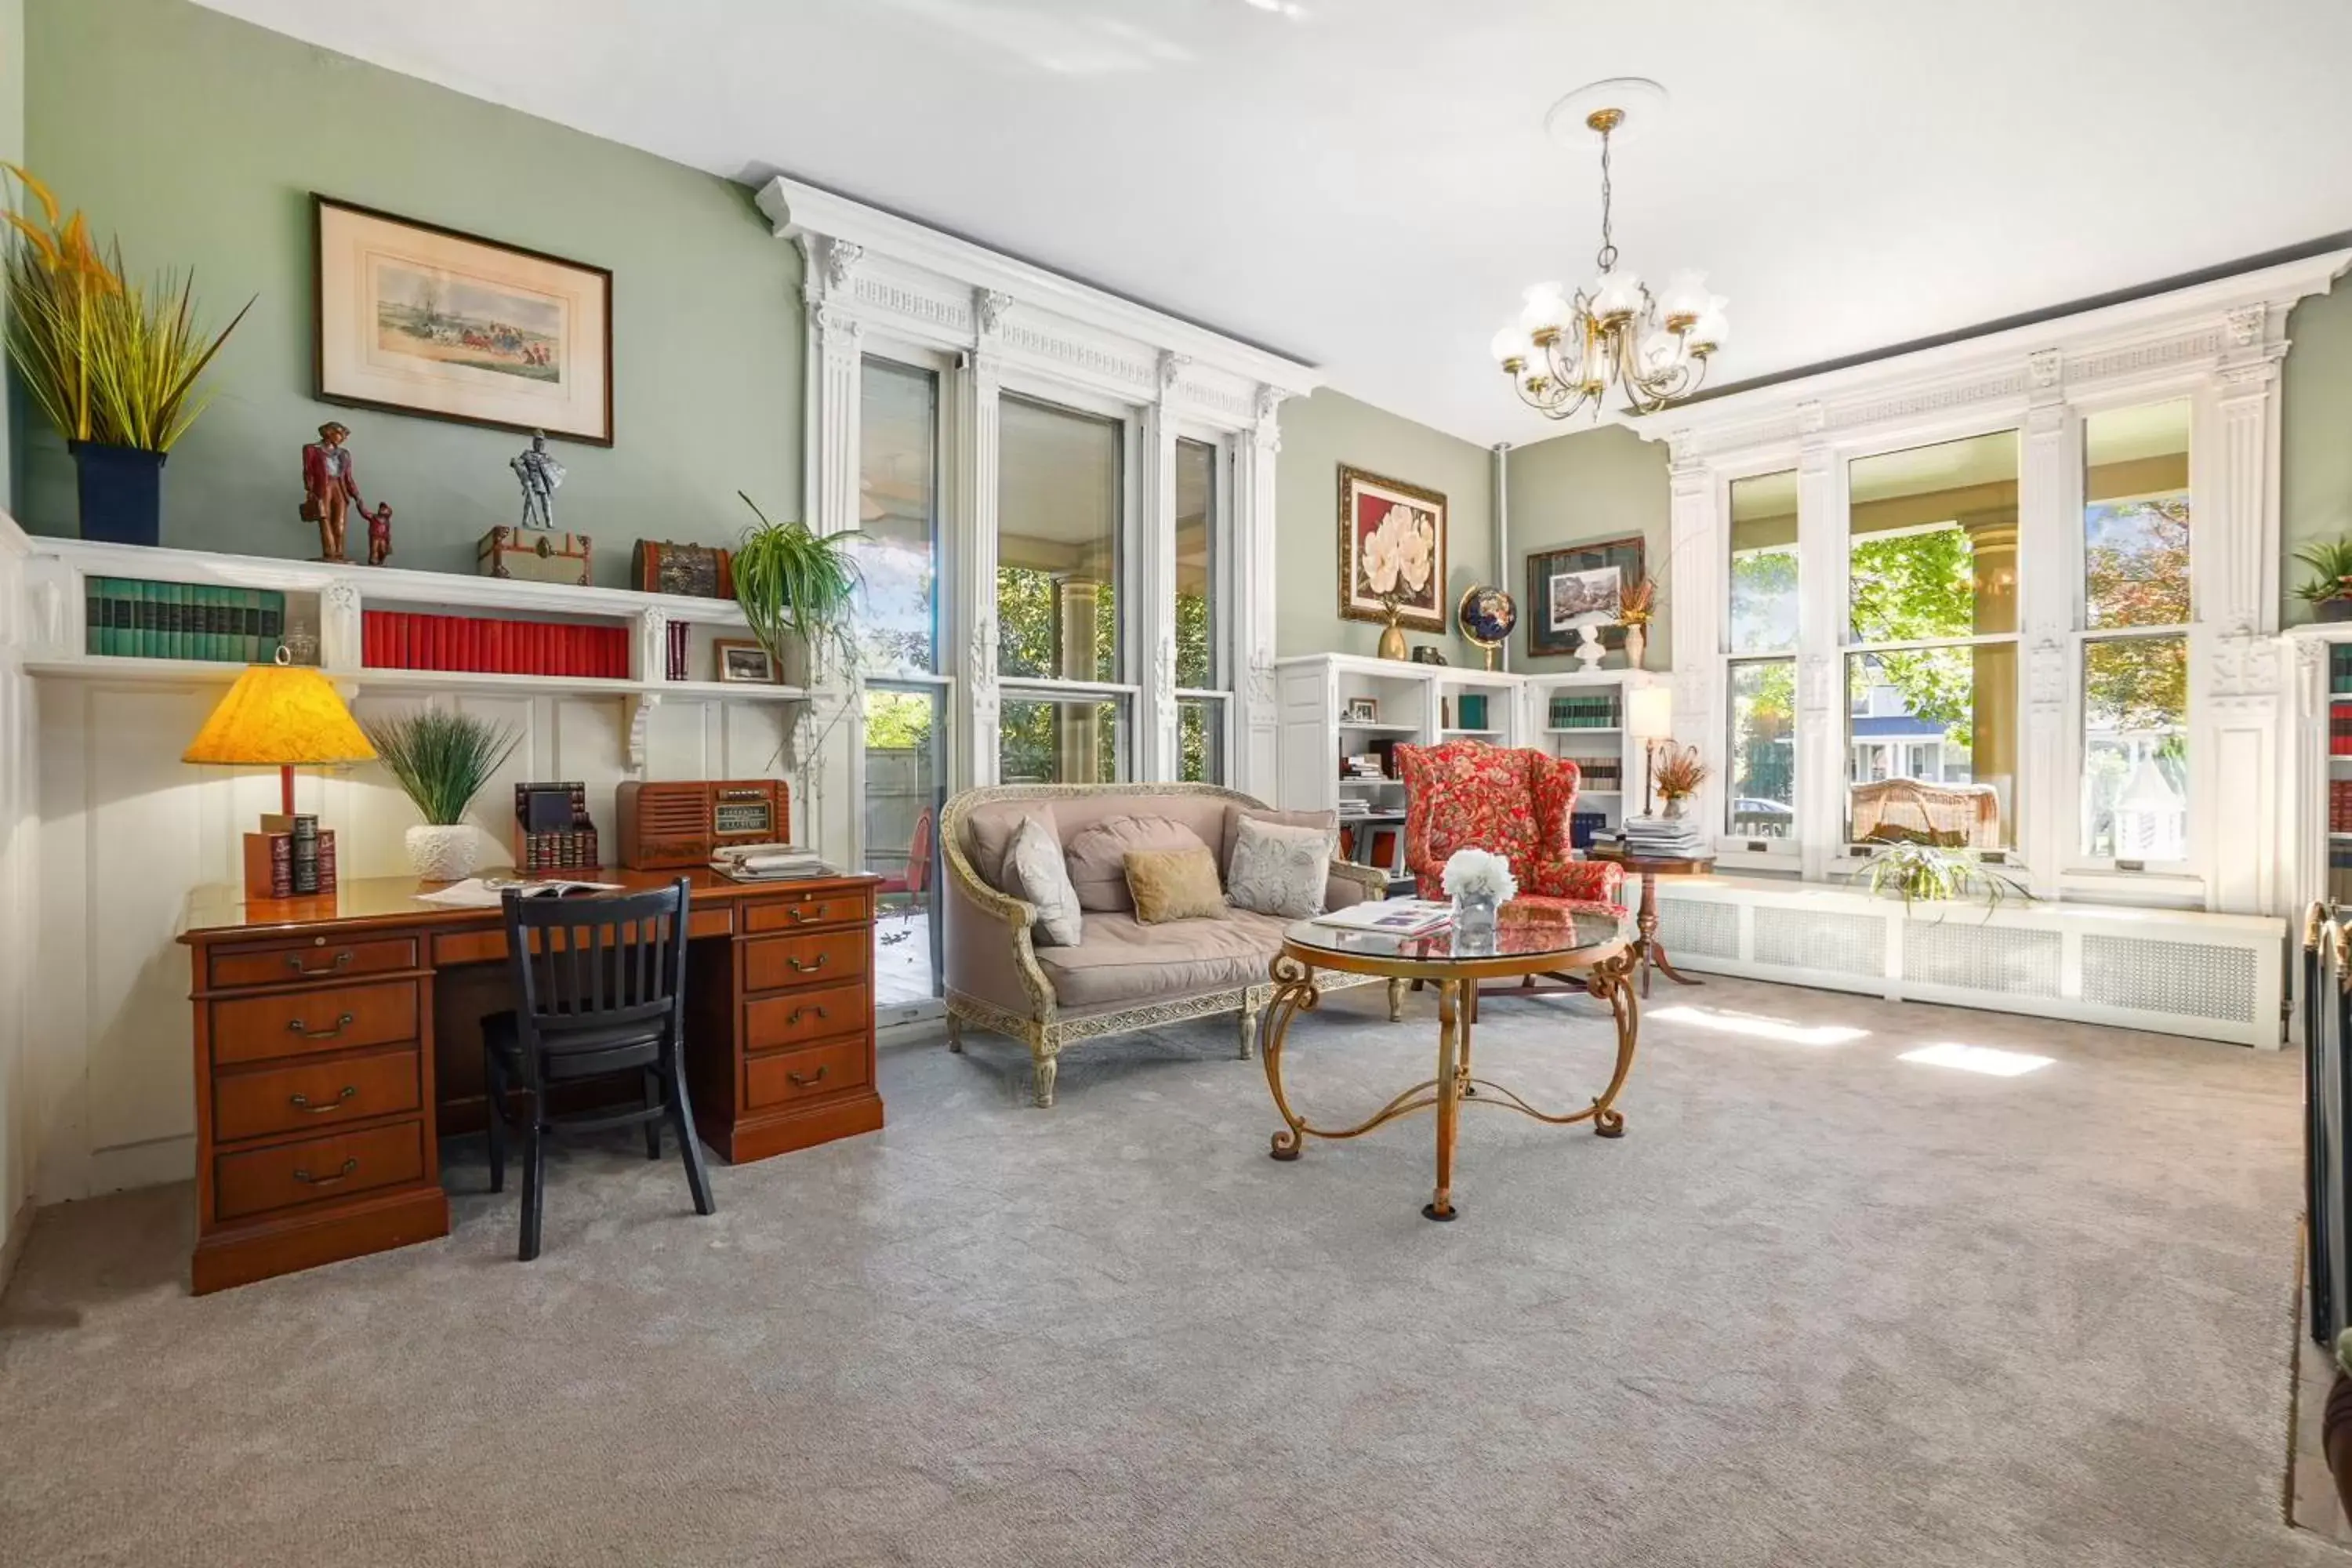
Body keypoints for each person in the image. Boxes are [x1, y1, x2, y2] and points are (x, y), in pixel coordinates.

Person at [299, 423, 365, 561]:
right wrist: (310, 490)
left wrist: (356, 495)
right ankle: (330, 552)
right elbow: (308, 471)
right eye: (340, 433)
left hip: (339, 487)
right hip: (323, 487)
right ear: (329, 433)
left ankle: (339, 553)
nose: (343, 438)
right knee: (325, 518)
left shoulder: (344, 454)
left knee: (340, 522)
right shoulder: (312, 449)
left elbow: (348, 477)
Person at [511, 430, 565, 531]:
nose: (539, 444)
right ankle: (525, 521)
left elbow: (556, 468)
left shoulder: (546, 457)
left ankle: (549, 523)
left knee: (546, 502)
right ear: (534, 442)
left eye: (541, 441)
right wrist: (514, 462)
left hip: (543, 483)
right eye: (537, 441)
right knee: (529, 501)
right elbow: (519, 462)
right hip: (531, 481)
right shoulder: (527, 454)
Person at [364, 501, 394, 567]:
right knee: (374, 549)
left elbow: (387, 533)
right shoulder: (373, 517)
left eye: (385, 508)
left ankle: (380, 561)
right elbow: (364, 513)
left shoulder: (387, 522)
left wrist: (388, 542)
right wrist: (359, 503)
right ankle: (373, 561)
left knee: (383, 550)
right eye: (381, 508)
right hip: (375, 537)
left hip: (383, 538)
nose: (382, 509)